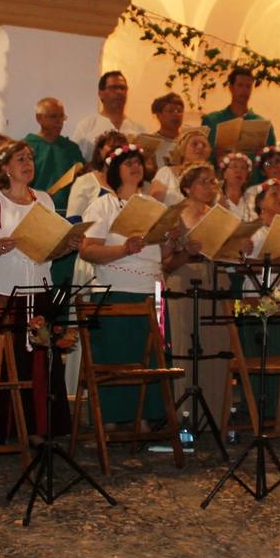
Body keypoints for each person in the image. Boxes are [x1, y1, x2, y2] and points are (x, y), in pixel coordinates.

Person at [0, 140, 75, 438]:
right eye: (20, 159)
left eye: (30, 157)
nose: (28, 163)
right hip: (5, 292)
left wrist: (66, 246)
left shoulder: (44, 200)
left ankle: (40, 426)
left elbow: (48, 252)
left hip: (38, 292)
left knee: (39, 362)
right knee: (5, 362)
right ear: (4, 167)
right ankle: (1, 429)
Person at [78, 144, 189, 425]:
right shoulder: (103, 205)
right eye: (128, 163)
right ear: (116, 171)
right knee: (117, 358)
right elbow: (88, 250)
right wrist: (124, 250)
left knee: (154, 358)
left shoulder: (155, 207)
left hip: (152, 291)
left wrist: (173, 241)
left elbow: (161, 256)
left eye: (138, 162)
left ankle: (153, 420)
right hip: (116, 292)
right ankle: (112, 420)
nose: (135, 166)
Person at [163, 163, 225, 407]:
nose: (210, 186)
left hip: (214, 282)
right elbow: (165, 262)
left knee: (215, 347)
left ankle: (215, 410)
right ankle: (185, 413)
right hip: (183, 284)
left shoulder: (218, 214)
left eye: (213, 181)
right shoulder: (175, 215)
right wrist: (186, 252)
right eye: (203, 181)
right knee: (186, 346)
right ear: (187, 187)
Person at [201, 67, 276, 161]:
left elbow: (272, 164)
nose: (244, 90)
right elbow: (200, 158)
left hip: (253, 175)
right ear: (231, 88)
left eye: (248, 86)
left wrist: (262, 158)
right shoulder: (212, 120)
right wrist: (214, 155)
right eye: (240, 85)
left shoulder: (265, 126)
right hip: (219, 174)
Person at [71, 70, 146, 162]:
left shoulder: (140, 131)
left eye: (122, 88)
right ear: (101, 93)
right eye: (113, 88)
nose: (119, 92)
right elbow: (76, 164)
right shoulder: (86, 127)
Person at [26, 97, 81, 215]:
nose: (59, 121)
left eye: (62, 117)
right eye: (53, 117)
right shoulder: (25, 148)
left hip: (68, 212)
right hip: (35, 212)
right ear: (38, 118)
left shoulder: (72, 149)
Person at [66, 130, 128, 221]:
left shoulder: (131, 183)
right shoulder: (85, 181)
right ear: (99, 150)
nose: (117, 151)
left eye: (121, 148)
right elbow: (73, 219)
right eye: (112, 147)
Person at [150, 128, 211, 205]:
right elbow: (155, 195)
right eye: (194, 144)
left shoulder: (211, 180)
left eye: (204, 145)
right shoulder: (166, 172)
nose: (200, 147)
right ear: (183, 148)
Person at [149, 92, 186, 167]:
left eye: (179, 111)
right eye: (170, 111)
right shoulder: (150, 143)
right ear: (159, 115)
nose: (176, 114)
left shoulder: (188, 142)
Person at [217, 152, 254, 220]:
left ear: (246, 176)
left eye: (243, 168)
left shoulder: (252, 198)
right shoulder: (215, 198)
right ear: (224, 173)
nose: (239, 171)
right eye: (234, 166)